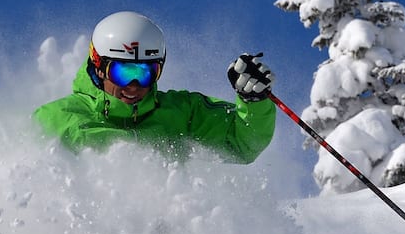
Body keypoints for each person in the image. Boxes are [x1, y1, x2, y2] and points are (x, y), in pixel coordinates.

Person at [33, 11, 276, 163]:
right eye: (122, 72)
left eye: (146, 72)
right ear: (98, 66)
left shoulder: (182, 113)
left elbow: (242, 143)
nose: (134, 85)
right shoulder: (57, 118)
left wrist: (252, 101)